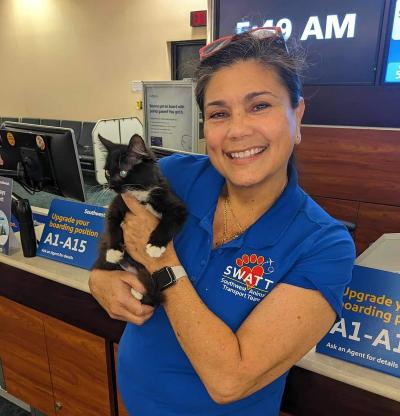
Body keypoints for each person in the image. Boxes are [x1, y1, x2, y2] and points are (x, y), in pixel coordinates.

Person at [89, 27, 355, 416]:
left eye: (260, 106)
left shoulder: (323, 246)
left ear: (296, 115)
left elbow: (229, 381)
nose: (237, 130)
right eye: (218, 113)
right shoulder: (175, 176)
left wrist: (163, 265)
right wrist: (99, 278)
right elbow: (115, 231)